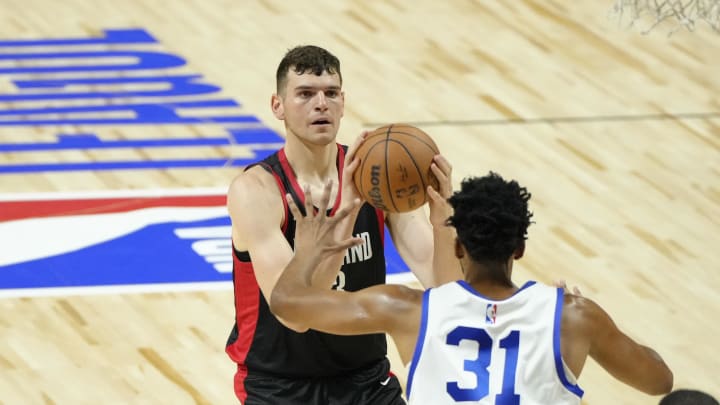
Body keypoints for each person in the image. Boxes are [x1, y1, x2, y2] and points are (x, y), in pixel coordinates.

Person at [270, 172, 675, 404]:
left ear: (458, 245)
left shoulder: (405, 309)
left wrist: (308, 249)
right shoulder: (573, 317)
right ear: (519, 248)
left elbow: (288, 303)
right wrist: (593, 320)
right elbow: (660, 381)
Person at [225, 45, 460, 404]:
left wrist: (443, 221)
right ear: (277, 105)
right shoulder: (257, 191)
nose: (321, 104)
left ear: (343, 103)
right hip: (279, 384)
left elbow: (445, 288)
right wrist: (347, 212)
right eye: (305, 94)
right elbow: (296, 314)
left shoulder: (377, 177)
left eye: (331, 93)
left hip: (365, 378)